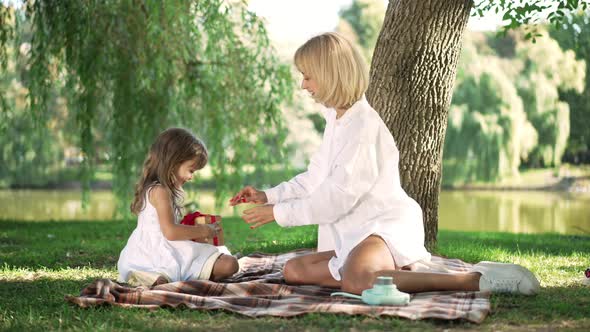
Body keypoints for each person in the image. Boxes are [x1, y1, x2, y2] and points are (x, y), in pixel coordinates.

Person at [229, 32, 540, 296]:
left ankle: (475, 280)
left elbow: (337, 198)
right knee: (294, 270)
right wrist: (268, 197)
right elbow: (315, 178)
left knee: (357, 280)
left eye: (308, 76)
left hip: (382, 226)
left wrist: (279, 214)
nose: (303, 85)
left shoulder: (363, 127)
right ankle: (379, 270)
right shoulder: (336, 120)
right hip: (355, 234)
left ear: (328, 74)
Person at [118, 128, 238, 287]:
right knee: (230, 264)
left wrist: (191, 227)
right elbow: (170, 232)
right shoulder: (160, 191)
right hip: (156, 252)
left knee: (228, 264)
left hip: (159, 250)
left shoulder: (158, 189)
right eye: (191, 170)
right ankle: (150, 276)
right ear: (173, 162)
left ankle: (157, 278)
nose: (191, 177)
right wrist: (205, 230)